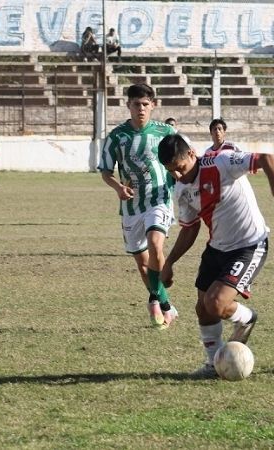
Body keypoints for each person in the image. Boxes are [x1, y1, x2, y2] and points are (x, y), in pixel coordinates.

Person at [157, 123, 274, 378]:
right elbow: (189, 229)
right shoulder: (181, 190)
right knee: (202, 308)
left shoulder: (221, 162)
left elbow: (265, 158)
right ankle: (213, 363)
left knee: (215, 303)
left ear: (192, 154)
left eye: (180, 168)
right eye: (172, 172)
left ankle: (247, 318)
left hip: (249, 245)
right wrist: (169, 263)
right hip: (217, 248)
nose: (178, 176)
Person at [98, 83, 179, 330]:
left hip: (159, 199)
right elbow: (105, 170)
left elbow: (187, 156)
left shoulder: (166, 132)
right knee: (143, 266)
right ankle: (165, 304)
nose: (141, 109)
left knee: (156, 244)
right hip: (132, 207)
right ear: (128, 106)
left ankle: (157, 298)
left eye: (145, 104)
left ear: (153, 105)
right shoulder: (117, 136)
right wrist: (118, 188)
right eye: (136, 104)